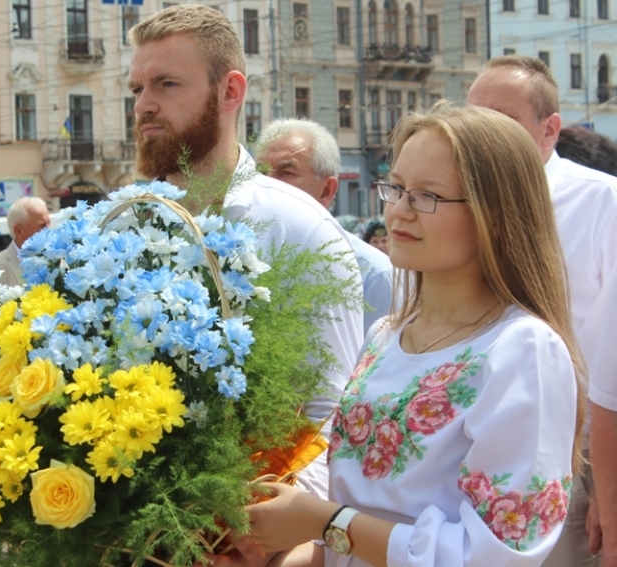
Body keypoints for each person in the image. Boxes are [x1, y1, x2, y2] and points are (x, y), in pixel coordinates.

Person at [211, 103, 584, 567]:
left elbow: (494, 555)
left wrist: (324, 522)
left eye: (427, 196)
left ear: (497, 214)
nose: (400, 212)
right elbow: (354, 522)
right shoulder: (387, 335)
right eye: (397, 188)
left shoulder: (522, 349)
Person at [128, 4, 364, 499]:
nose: (144, 105)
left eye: (166, 84)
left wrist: (266, 531)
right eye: (137, 89)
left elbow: (332, 412)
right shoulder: (122, 224)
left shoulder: (298, 226)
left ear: (230, 91)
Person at [467, 54, 617, 567]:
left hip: (579, 459)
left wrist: (609, 489)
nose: (480, 136)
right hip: (471, 445)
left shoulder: (603, 204)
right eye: (472, 119)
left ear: (549, 129)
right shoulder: (453, 203)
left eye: (501, 121)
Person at [254, 118, 395, 334]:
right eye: (261, 173)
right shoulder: (238, 259)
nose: (267, 185)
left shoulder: (373, 275)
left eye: (287, 173)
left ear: (326, 190)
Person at [0, 196, 50, 286]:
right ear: (19, 230)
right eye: (42, 225)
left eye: (49, 223)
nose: (49, 229)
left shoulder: (59, 261)